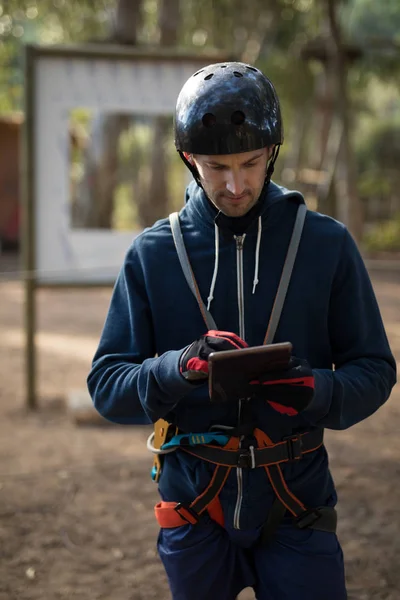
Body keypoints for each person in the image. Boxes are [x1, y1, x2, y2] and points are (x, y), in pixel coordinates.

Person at [87, 62, 396, 600]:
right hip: (193, 506)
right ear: (189, 159)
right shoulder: (152, 254)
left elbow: (374, 369)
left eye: (251, 163)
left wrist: (318, 391)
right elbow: (107, 385)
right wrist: (176, 369)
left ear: (272, 152)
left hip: (299, 504)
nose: (236, 185)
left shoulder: (326, 245)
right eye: (215, 167)